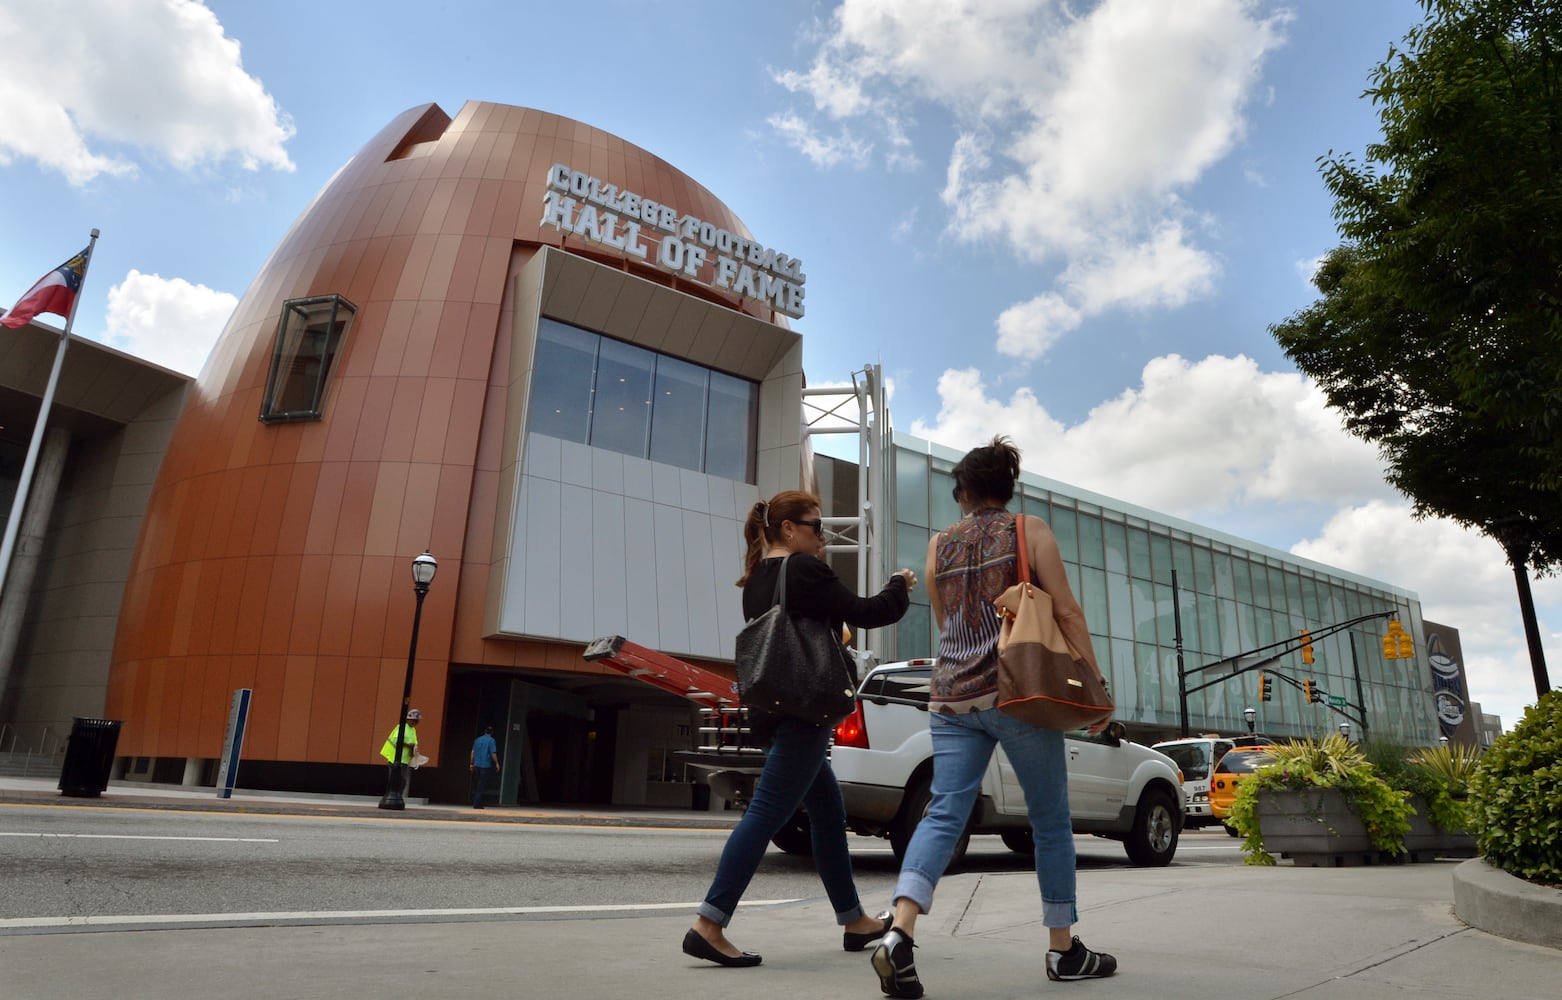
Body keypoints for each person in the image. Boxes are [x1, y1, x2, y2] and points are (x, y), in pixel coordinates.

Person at [871, 437, 1117, 997]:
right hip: (1018, 695)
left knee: (942, 815)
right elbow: (1066, 610)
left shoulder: (939, 546)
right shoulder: (1029, 531)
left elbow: (944, 623)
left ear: (963, 492)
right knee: (1050, 821)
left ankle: (900, 933)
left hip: (951, 698)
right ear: (1007, 489)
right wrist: (1093, 686)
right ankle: (1062, 950)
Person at [683, 489, 919, 968]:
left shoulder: (754, 580)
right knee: (766, 813)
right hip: (806, 708)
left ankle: (854, 920)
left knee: (829, 813)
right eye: (816, 527)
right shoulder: (804, 570)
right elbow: (871, 612)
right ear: (789, 529)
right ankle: (709, 923)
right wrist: (900, 584)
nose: (824, 536)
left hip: (773, 708)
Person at [379, 708, 421, 797]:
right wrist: (409, 746)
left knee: (402, 781)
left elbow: (414, 743)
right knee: (396, 780)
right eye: (414, 721)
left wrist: (413, 750)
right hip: (395, 758)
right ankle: (391, 797)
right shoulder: (402, 727)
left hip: (404, 760)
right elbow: (397, 741)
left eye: (417, 721)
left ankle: (397, 797)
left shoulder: (412, 730)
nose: (415, 723)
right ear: (408, 719)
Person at [470, 725, 499, 808]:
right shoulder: (491, 740)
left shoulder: (477, 740)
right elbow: (493, 753)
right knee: (481, 784)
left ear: (485, 731)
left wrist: (471, 763)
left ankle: (476, 801)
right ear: (492, 732)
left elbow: (472, 752)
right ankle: (477, 803)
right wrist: (496, 763)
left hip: (476, 764)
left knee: (477, 783)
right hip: (485, 765)